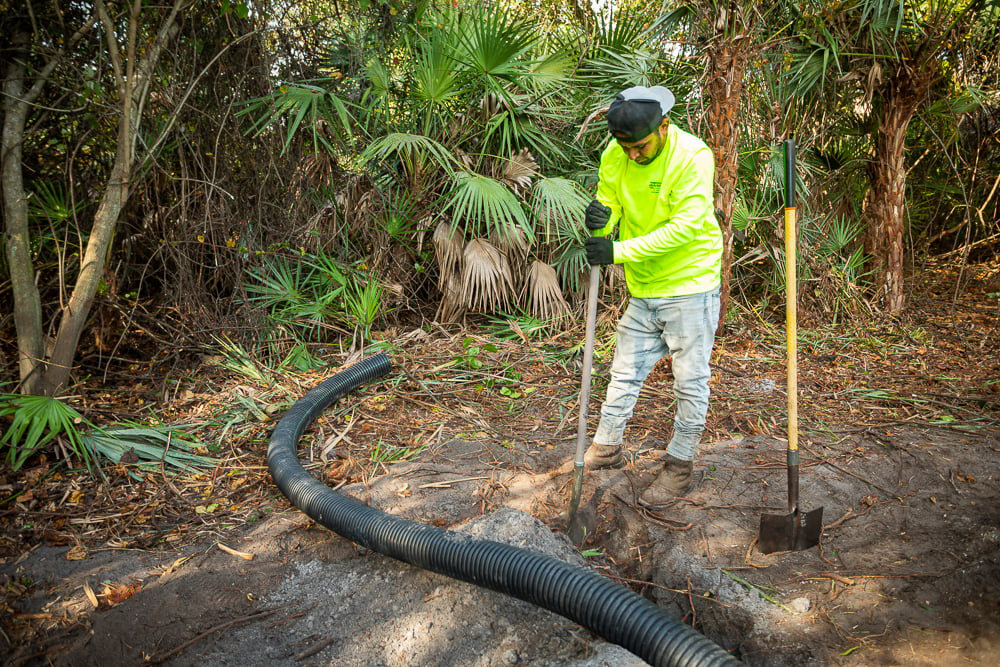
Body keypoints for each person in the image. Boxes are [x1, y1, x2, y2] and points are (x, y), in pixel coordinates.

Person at [582, 85, 722, 508]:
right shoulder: (617, 153)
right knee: (624, 369)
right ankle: (608, 446)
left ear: (664, 126)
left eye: (640, 147)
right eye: (624, 148)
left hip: (689, 284)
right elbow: (610, 208)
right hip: (643, 287)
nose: (632, 156)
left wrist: (618, 251)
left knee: (689, 379)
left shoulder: (693, 156)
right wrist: (599, 223)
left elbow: (685, 228)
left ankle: (679, 465)